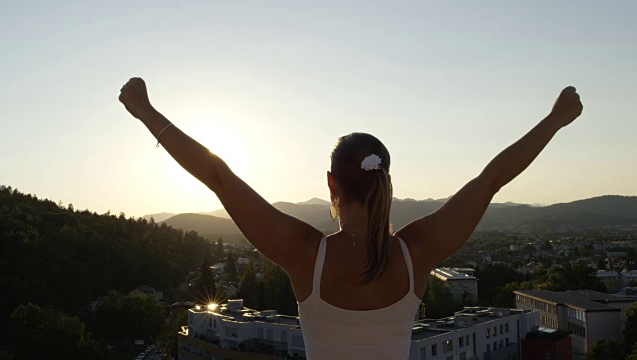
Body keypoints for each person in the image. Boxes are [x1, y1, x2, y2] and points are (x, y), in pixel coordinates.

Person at [119, 78, 583, 359]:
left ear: (331, 185)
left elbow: (218, 177)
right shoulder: (416, 252)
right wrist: (555, 119)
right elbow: (492, 178)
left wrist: (146, 111)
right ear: (386, 183)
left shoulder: (307, 255)